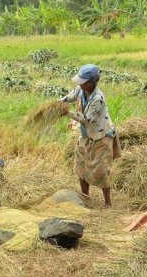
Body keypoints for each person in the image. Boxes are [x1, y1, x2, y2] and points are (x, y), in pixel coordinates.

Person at [58, 64, 120, 207]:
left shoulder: (97, 98)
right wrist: (60, 102)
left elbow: (86, 119)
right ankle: (85, 198)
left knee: (101, 170)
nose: (80, 84)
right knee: (81, 166)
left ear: (92, 82)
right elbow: (71, 96)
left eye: (83, 82)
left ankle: (108, 203)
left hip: (101, 136)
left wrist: (66, 113)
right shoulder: (80, 90)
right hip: (85, 135)